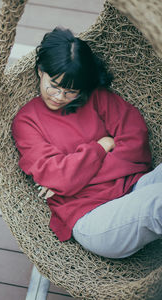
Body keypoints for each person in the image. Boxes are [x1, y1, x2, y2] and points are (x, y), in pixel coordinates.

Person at [12, 27, 162, 259]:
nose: (59, 97)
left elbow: (135, 140)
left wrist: (76, 179)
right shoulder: (27, 121)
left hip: (133, 189)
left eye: (70, 91)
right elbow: (57, 175)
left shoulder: (97, 97)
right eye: (54, 85)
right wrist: (102, 146)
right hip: (92, 217)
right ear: (41, 71)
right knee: (157, 204)